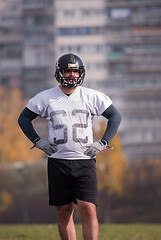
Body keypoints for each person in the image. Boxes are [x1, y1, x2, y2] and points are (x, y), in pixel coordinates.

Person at [18, 53, 121, 240]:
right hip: (58, 162)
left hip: (85, 161)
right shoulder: (46, 97)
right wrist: (37, 141)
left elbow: (115, 116)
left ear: (81, 73)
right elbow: (24, 118)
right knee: (64, 211)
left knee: (88, 208)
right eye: (68, 71)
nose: (72, 75)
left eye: (75, 71)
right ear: (59, 72)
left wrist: (103, 142)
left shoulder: (91, 96)